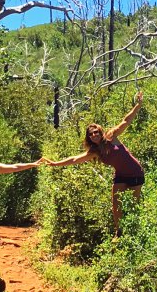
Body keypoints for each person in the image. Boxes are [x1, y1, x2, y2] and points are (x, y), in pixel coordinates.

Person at [46, 91, 144, 235]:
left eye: (96, 132)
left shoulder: (111, 136)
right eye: (91, 134)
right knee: (116, 205)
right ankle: (119, 233)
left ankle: (135, 232)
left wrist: (138, 105)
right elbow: (74, 159)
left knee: (133, 206)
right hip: (121, 175)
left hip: (135, 172)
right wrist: (55, 163)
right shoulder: (94, 152)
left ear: (101, 132)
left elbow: (125, 121)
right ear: (89, 137)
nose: (94, 135)